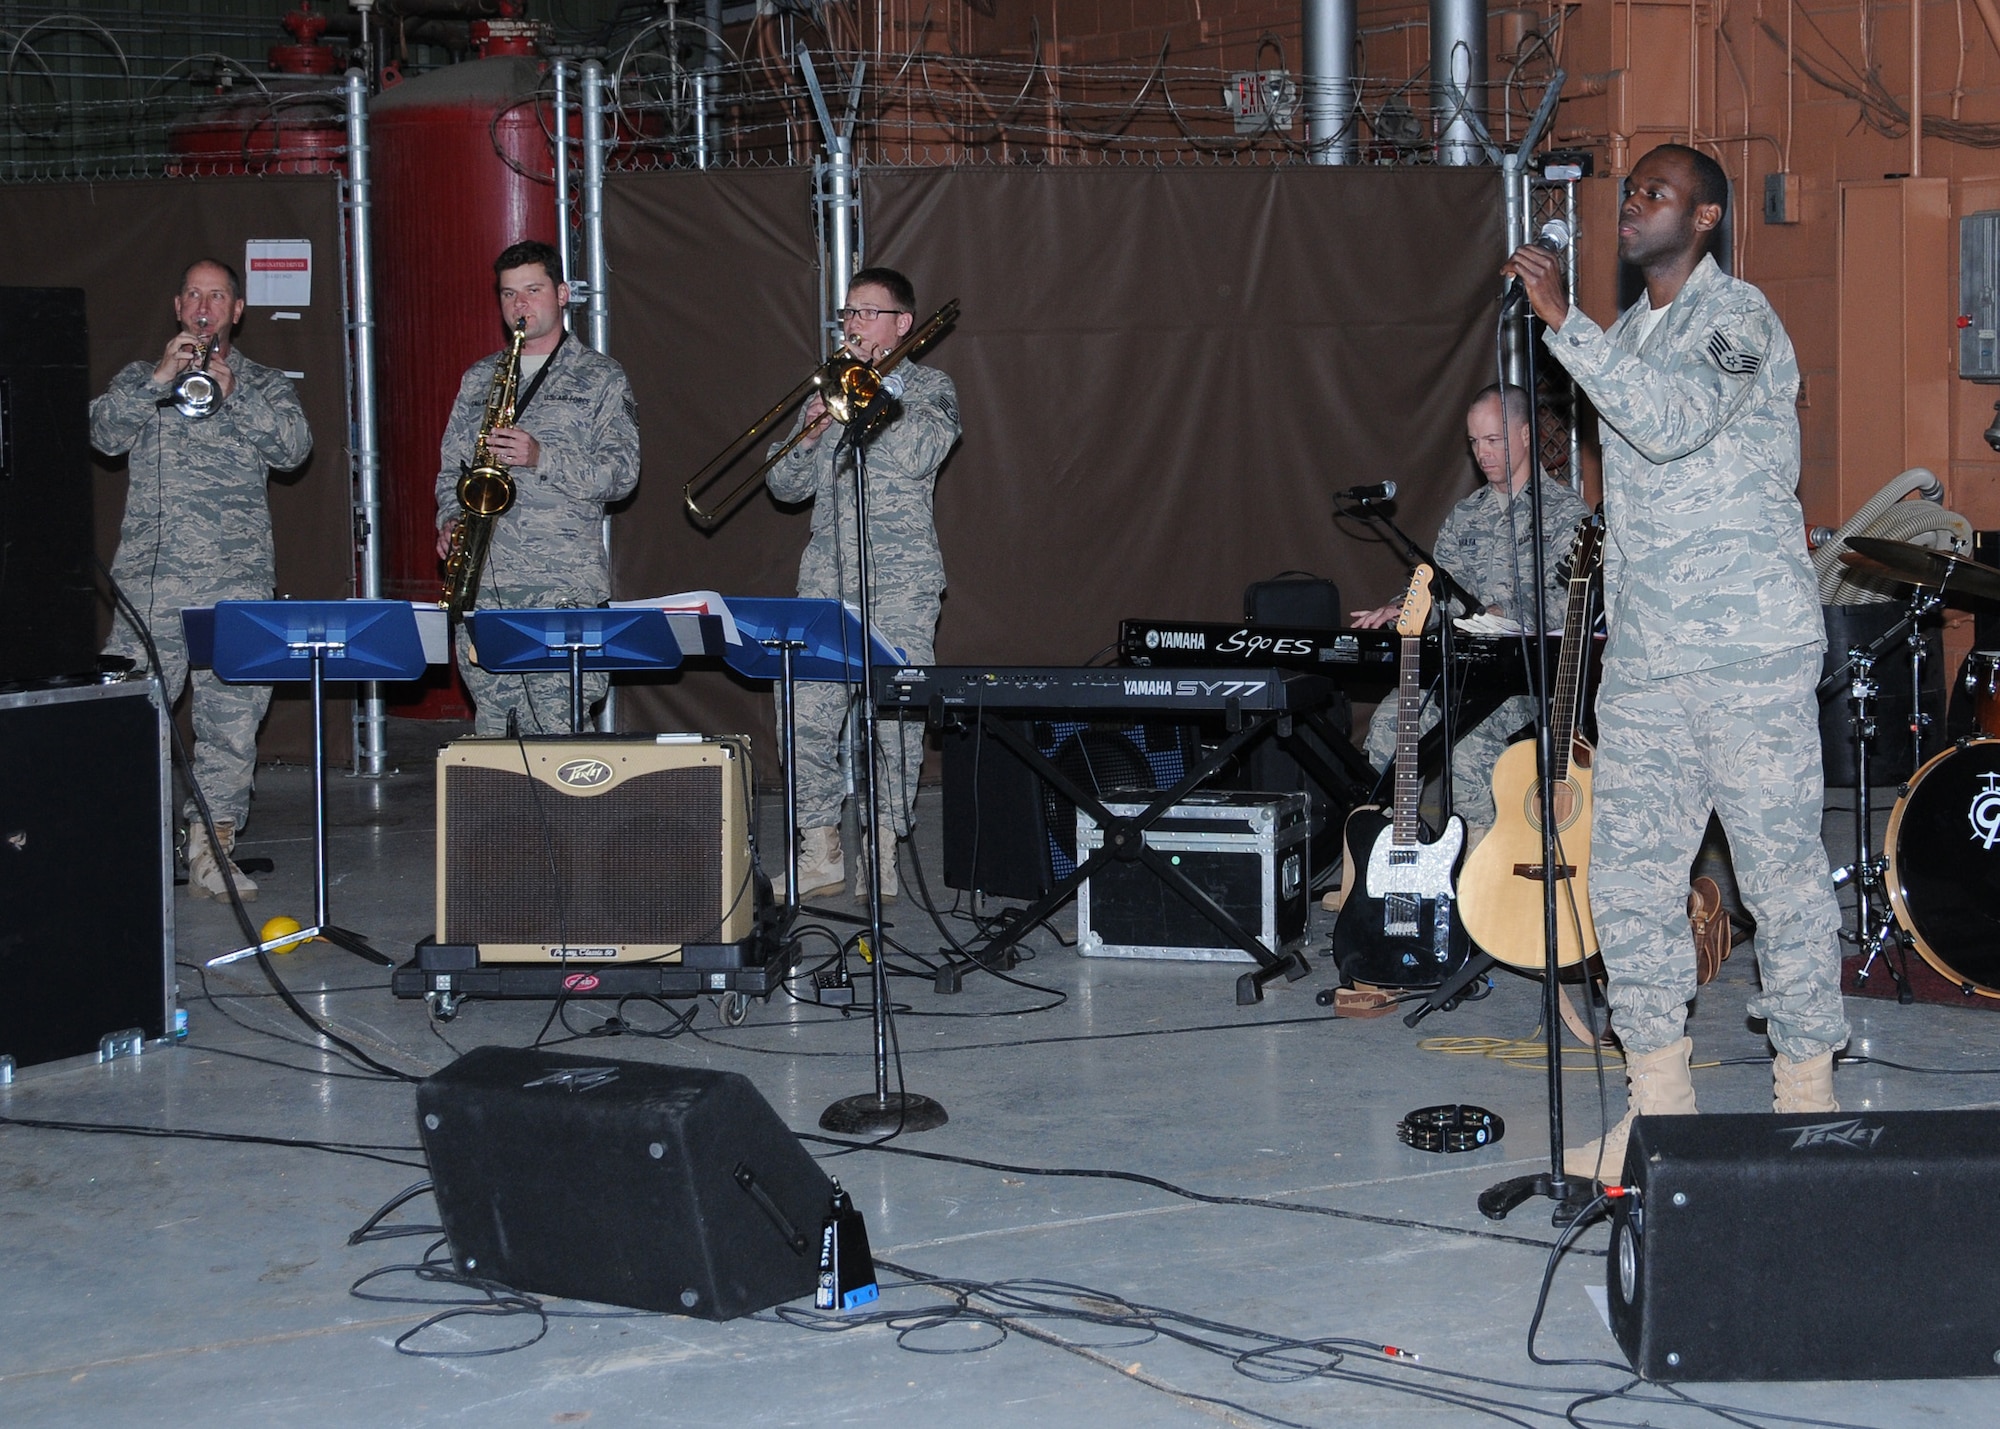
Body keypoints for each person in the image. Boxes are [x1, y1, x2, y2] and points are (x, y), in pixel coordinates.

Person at [1505, 143, 1847, 1180]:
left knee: (1777, 877)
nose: (1630, 205)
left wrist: (1564, 323)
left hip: (1743, 654)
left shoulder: (1735, 318)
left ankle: (1806, 1099)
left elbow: (1666, 425)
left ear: (1702, 219)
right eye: (1630, 191)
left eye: (1655, 193)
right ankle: (1658, 1108)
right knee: (1625, 884)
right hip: (1648, 662)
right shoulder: (1637, 334)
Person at [90, 258, 312, 901]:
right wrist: (160, 378)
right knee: (135, 718)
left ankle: (213, 849)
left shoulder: (264, 383)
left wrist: (235, 390)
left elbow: (295, 451)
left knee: (231, 721)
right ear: (178, 307)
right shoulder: (140, 379)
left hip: (235, 583)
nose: (205, 306)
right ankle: (129, 845)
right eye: (194, 294)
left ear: (236, 311)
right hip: (150, 587)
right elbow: (102, 436)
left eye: (218, 296)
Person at [766, 267, 960, 899]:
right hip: (826, 577)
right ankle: (818, 849)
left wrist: (876, 396)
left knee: (896, 721)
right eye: (848, 313)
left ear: (902, 324)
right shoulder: (826, 388)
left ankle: (882, 846)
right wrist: (811, 432)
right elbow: (784, 487)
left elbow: (918, 455)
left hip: (900, 581)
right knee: (804, 710)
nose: (852, 324)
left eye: (867, 312)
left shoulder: (930, 389)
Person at [1349, 385, 1590, 834]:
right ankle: (1389, 863)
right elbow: (1441, 589)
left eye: (1493, 440)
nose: (1482, 453)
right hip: (1460, 673)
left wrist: (1504, 609)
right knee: (1388, 724)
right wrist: (1403, 607)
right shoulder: (1467, 514)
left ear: (1524, 435)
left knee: (1467, 744)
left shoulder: (1563, 515)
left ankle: (1478, 876)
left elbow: (1569, 604)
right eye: (1475, 442)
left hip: (1525, 684)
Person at [435, 240, 640, 736]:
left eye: (532, 290)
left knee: (560, 731)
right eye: (508, 295)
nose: (519, 306)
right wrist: (448, 519)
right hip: (485, 584)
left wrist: (541, 457)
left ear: (563, 293)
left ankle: (577, 818)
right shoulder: (480, 377)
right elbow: (450, 471)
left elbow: (622, 474)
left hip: (562, 587)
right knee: (496, 732)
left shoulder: (601, 378)